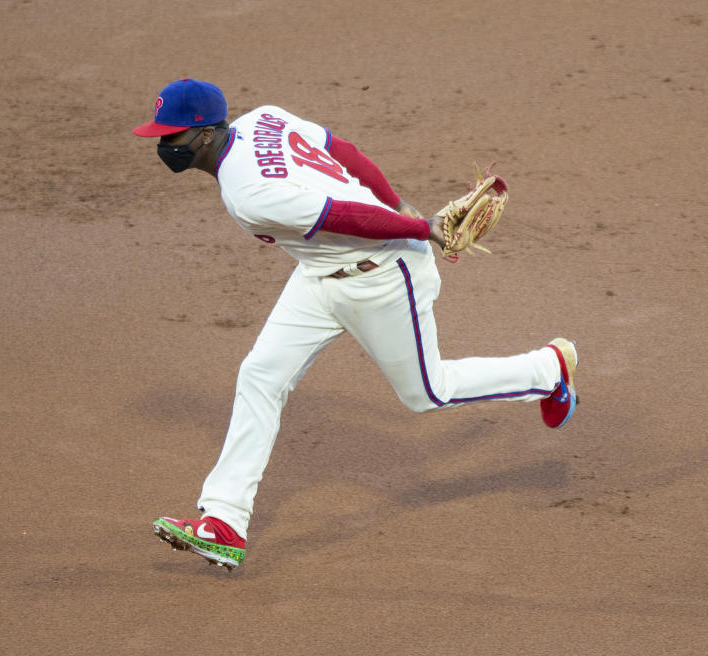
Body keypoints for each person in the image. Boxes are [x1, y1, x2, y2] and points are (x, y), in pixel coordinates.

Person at [132, 78, 578, 570]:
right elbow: (344, 151)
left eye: (171, 137)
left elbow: (344, 214)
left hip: (383, 277)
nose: (163, 146)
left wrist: (415, 224)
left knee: (426, 393)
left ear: (205, 133)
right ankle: (224, 523)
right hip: (319, 276)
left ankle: (548, 371)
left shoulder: (248, 193)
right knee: (261, 375)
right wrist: (403, 205)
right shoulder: (263, 118)